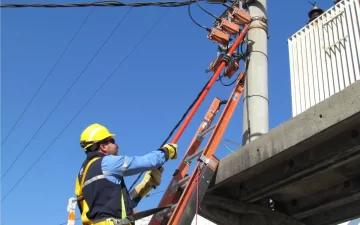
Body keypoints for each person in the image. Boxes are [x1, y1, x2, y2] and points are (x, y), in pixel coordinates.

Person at [74, 123, 178, 225]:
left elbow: (119, 206)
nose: (117, 145)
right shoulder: (107, 163)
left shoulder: (81, 176)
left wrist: (146, 185)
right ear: (103, 147)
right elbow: (147, 162)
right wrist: (167, 151)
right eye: (113, 141)